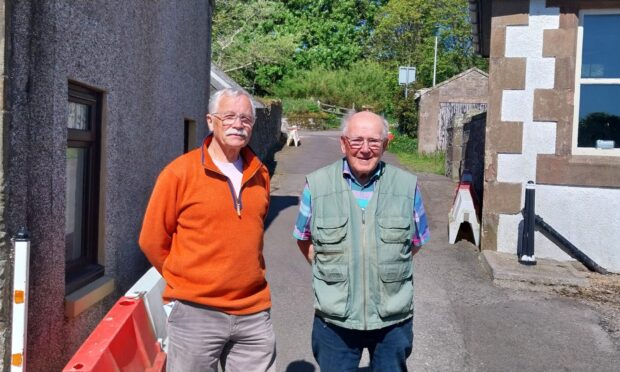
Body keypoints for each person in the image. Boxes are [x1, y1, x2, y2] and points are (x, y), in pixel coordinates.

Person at [139, 88, 275, 371]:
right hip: (195, 312)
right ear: (211, 121)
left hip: (253, 312)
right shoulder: (179, 173)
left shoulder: (260, 173)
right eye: (229, 117)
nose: (239, 124)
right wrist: (188, 279)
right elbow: (152, 241)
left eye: (246, 119)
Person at [293, 111, 430, 371]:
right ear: (343, 143)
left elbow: (416, 241)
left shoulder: (407, 185)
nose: (365, 149)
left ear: (385, 144)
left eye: (373, 141)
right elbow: (304, 239)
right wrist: (335, 270)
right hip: (335, 322)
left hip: (392, 322)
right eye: (356, 141)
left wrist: (381, 264)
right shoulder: (317, 185)